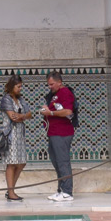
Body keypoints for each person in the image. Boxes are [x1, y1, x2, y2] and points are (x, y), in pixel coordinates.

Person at [40, 71, 76, 202]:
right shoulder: (55, 95)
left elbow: (68, 111)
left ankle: (67, 192)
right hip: (54, 132)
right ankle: (61, 190)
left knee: (62, 161)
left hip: (62, 133)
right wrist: (47, 110)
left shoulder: (65, 92)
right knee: (56, 162)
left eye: (52, 84)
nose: (49, 86)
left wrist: (51, 113)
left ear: (59, 82)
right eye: (48, 84)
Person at [0, 75, 33, 202]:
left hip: (20, 134)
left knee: (22, 162)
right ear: (12, 86)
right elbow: (12, 117)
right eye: (18, 86)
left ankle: (10, 190)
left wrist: (22, 116)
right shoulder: (6, 99)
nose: (20, 89)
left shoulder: (21, 99)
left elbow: (30, 114)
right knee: (11, 163)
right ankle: (11, 192)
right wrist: (23, 116)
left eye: (21, 86)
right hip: (10, 134)